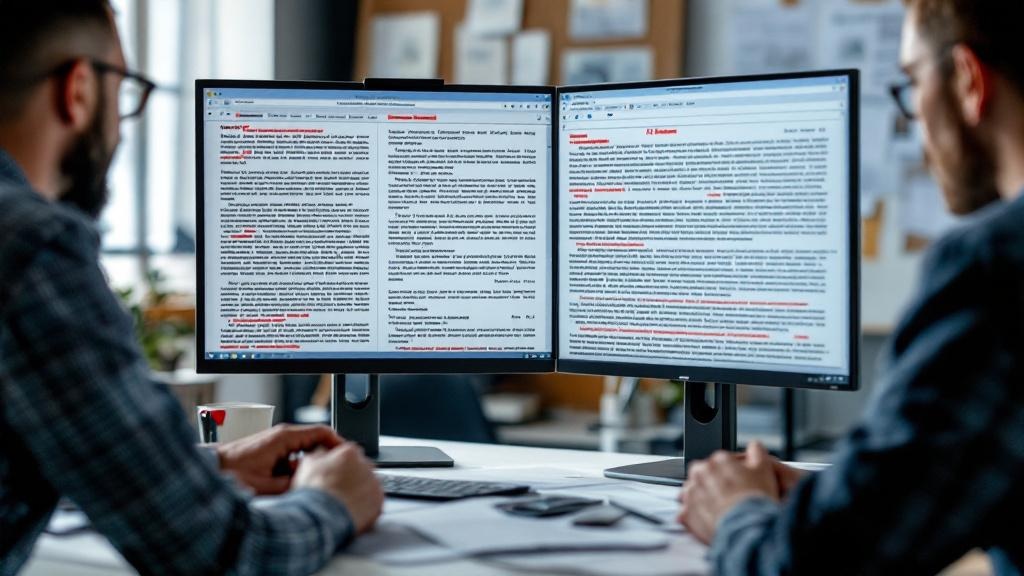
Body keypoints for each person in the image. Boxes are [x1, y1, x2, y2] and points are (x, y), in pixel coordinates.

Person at [0, 2, 384, 574]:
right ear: (78, 89)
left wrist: (206, 469)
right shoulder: (31, 246)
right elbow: (222, 554)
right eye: (123, 88)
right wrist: (331, 500)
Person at [677, 0, 1024, 574]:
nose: (913, 117)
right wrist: (841, 493)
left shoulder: (995, 267)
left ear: (967, 81)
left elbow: (813, 567)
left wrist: (735, 510)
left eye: (911, 81)